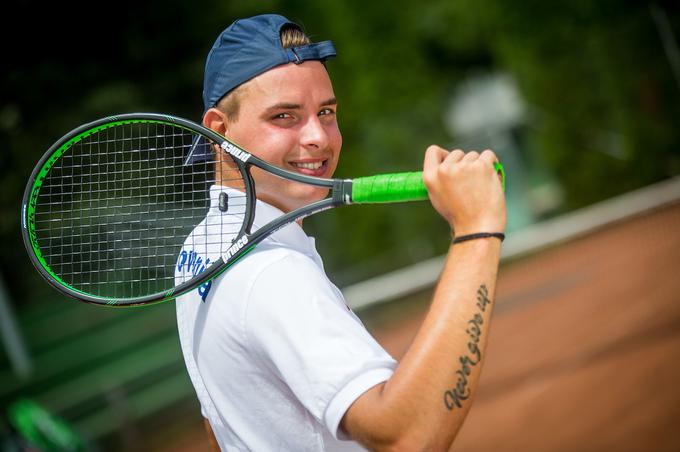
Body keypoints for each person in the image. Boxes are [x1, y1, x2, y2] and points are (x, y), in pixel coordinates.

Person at [175, 13, 506, 451]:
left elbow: (217, 425)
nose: (319, 137)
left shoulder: (197, 248)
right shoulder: (272, 275)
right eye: (285, 116)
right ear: (220, 130)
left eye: (326, 112)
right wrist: (476, 230)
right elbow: (408, 436)